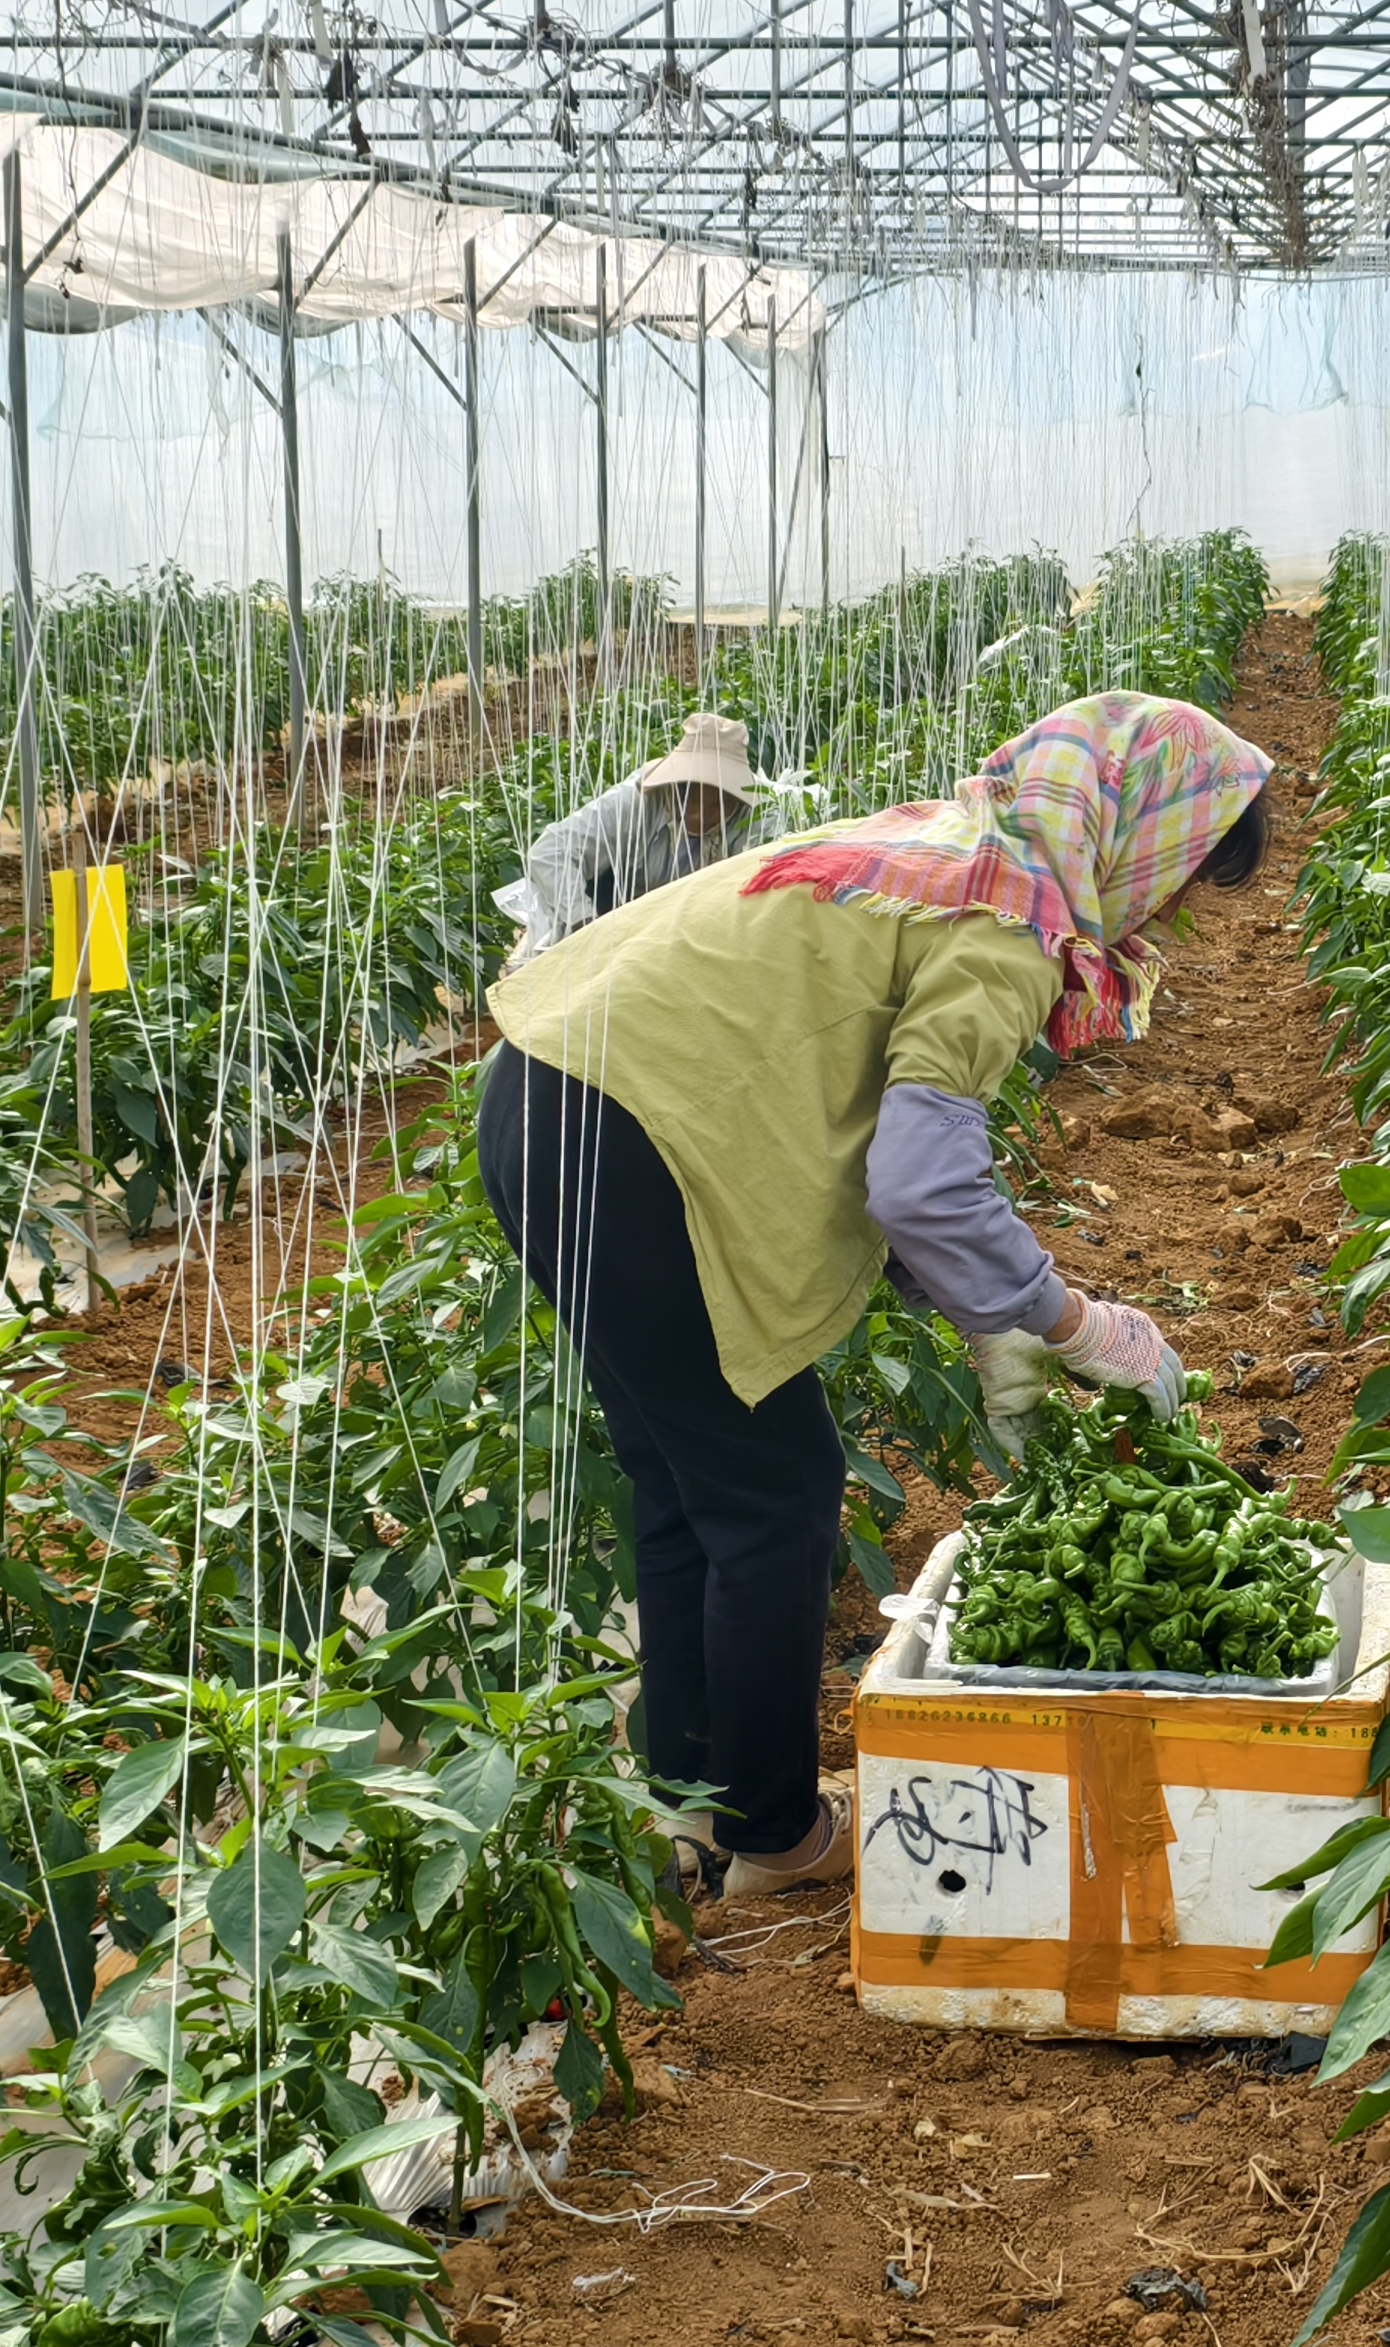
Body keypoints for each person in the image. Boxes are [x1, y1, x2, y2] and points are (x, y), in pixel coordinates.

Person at [476, 693, 1273, 1903]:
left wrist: (986, 1319)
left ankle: (692, 1803)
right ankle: (776, 1832)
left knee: (692, 1481)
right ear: (1146, 828)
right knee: (777, 1492)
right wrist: (1071, 1324)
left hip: (545, 1104)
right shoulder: (1006, 920)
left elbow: (854, 1130)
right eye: (1188, 871)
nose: (1168, 906)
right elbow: (918, 1183)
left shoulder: (942, 847)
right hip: (633, 1141)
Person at [494, 709, 757, 965]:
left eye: (716, 806)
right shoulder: (639, 800)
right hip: (611, 912)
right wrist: (586, 925)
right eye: (690, 800)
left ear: (735, 799)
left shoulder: (754, 816)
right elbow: (551, 852)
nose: (699, 816)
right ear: (675, 784)